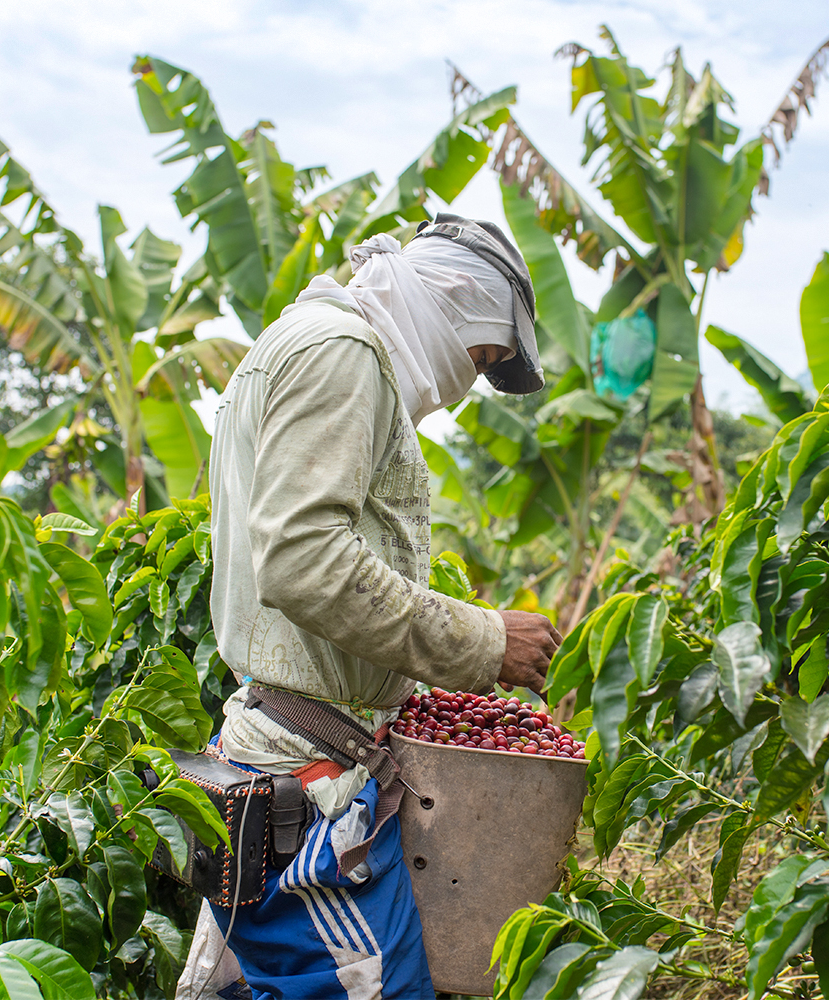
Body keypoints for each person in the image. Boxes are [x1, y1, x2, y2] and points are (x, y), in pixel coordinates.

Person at [177, 215, 562, 1000]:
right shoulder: (342, 353)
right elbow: (304, 560)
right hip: (306, 783)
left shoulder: (310, 342)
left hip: (293, 751)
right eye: (480, 356)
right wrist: (482, 642)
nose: (465, 381)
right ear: (451, 302)